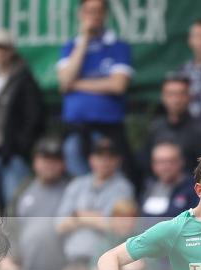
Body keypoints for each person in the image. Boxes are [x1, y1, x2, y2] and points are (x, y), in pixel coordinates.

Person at [57, 0, 134, 178]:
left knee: (111, 179)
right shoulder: (71, 46)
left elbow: (118, 85)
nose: (94, 16)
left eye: (98, 11)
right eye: (89, 11)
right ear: (81, 15)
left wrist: (75, 84)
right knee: (79, 182)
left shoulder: (118, 46)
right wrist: (84, 38)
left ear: (105, 15)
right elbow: (65, 79)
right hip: (75, 129)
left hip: (107, 128)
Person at [0, 29, 45, 204]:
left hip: (12, 154)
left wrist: (18, 146)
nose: (0, 53)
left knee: (13, 201)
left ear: (12, 51)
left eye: (4, 48)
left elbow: (34, 116)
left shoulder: (23, 77)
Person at [56, 138, 134, 262]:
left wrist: (79, 215)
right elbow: (59, 225)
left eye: (110, 156)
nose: (105, 161)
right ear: (91, 159)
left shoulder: (124, 188)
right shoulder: (77, 184)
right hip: (71, 257)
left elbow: (118, 227)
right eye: (100, 156)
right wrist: (97, 218)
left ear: (118, 160)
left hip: (104, 259)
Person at [14, 138, 69, 270]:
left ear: (63, 164)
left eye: (55, 160)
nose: (50, 164)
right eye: (45, 158)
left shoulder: (72, 190)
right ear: (35, 161)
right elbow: (12, 230)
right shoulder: (23, 190)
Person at [139, 74, 201, 175]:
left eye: (181, 94)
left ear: (189, 97)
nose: (176, 100)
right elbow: (144, 163)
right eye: (171, 94)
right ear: (163, 97)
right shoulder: (155, 128)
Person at [140, 142, 199, 219]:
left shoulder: (194, 190)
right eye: (160, 162)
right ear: (153, 164)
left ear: (181, 162)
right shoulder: (149, 187)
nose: (166, 167)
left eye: (171, 161)